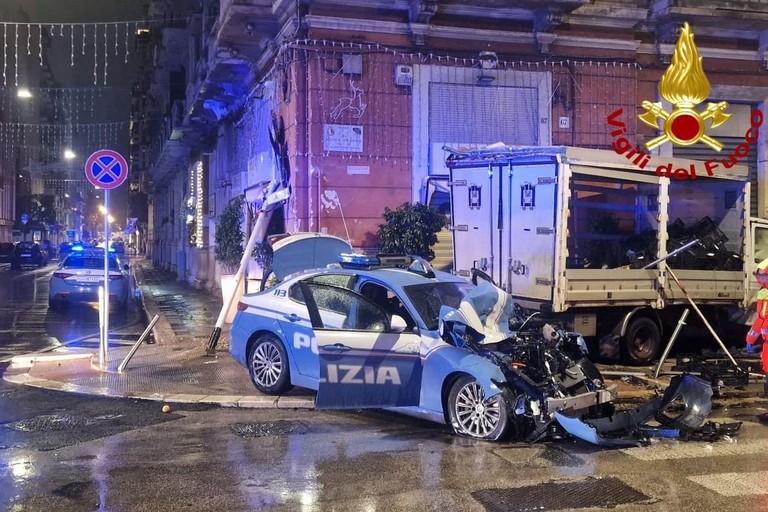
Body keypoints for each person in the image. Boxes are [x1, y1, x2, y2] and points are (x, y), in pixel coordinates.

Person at [746, 258, 768, 392]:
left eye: (764, 277)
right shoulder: (764, 293)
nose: (760, 280)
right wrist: (751, 339)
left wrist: (751, 339)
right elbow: (761, 319)